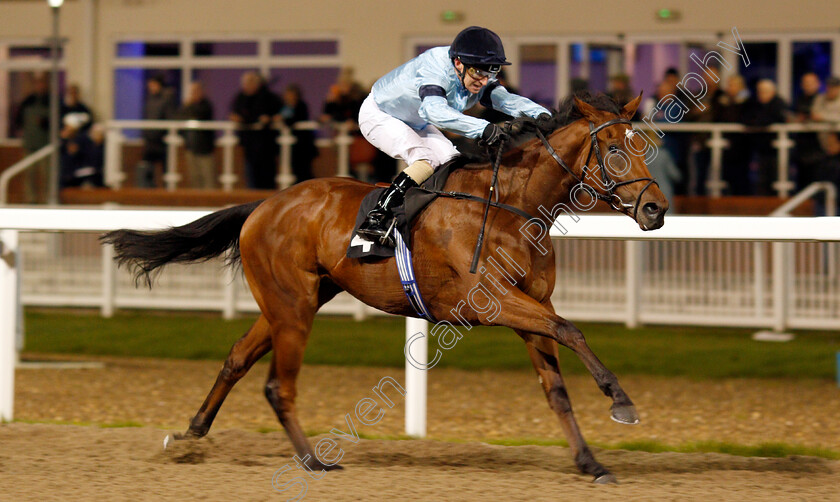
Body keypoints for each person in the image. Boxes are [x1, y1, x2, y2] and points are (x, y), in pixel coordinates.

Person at [356, 26, 550, 246]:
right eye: (478, 73)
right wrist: (484, 128)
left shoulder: (473, 71)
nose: (484, 81)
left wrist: (544, 116)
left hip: (415, 121)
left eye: (491, 73)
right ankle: (376, 217)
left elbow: (505, 100)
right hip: (379, 114)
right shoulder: (435, 67)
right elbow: (433, 111)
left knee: (453, 163)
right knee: (425, 160)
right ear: (458, 63)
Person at [230, 72, 282, 189]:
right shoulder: (240, 98)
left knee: (266, 173)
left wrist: (268, 119)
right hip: (249, 143)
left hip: (265, 143)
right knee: (250, 173)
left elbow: (275, 114)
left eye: (249, 82)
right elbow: (236, 114)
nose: (246, 86)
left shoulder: (268, 97)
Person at [743, 79, 788, 195]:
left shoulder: (779, 103)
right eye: (760, 91)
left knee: (775, 176)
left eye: (765, 91)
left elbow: (773, 118)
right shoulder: (754, 103)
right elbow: (746, 118)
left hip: (775, 149)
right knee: (760, 178)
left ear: (773, 91)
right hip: (759, 147)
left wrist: (759, 122)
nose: (762, 94)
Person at [13, 73, 50, 202]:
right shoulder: (27, 101)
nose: (40, 86)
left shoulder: (51, 101)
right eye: (38, 84)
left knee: (47, 175)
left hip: (45, 146)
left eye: (42, 84)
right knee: (29, 175)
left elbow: (55, 123)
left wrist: (44, 122)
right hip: (30, 145)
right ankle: (30, 199)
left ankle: (47, 199)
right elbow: (18, 120)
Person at [136, 74, 177, 188]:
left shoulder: (167, 99)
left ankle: (167, 191)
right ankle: (147, 190)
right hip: (150, 140)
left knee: (167, 169)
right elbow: (146, 117)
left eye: (153, 85)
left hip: (161, 140)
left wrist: (163, 133)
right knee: (146, 167)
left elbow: (170, 117)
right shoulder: (150, 100)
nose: (151, 88)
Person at [178, 81, 216, 189]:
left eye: (195, 91)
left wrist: (188, 106)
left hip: (205, 148)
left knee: (207, 176)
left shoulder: (206, 105)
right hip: (191, 146)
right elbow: (180, 117)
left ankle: (210, 201)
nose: (193, 94)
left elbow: (198, 115)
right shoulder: (188, 106)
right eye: (192, 91)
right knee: (194, 177)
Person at [280, 84, 318, 183]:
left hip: (303, 146)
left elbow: (295, 120)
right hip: (293, 146)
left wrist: (283, 120)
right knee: (295, 169)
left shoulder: (301, 106)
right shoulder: (284, 107)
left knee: (305, 171)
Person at [792, 73, 824, 189]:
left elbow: (821, 116)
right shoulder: (798, 99)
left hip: (819, 147)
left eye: (811, 83)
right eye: (806, 83)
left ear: (818, 84)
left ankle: (817, 205)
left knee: (817, 181)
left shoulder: (822, 100)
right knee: (801, 181)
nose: (808, 86)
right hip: (801, 146)